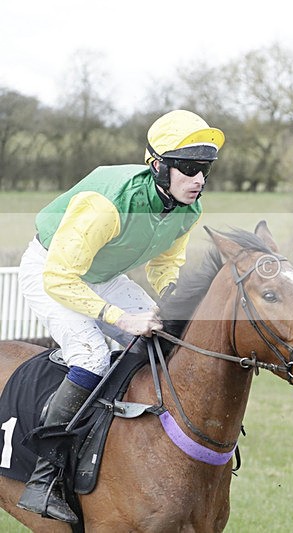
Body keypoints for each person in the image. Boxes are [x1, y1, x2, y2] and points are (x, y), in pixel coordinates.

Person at [16, 109, 225, 523]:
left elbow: (165, 265)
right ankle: (45, 476)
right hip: (50, 272)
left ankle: (125, 434)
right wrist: (121, 319)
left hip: (103, 276)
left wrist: (174, 299)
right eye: (188, 168)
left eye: (205, 168)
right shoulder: (105, 207)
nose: (198, 179)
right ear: (158, 166)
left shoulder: (188, 209)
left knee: (161, 336)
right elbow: (60, 277)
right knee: (92, 356)